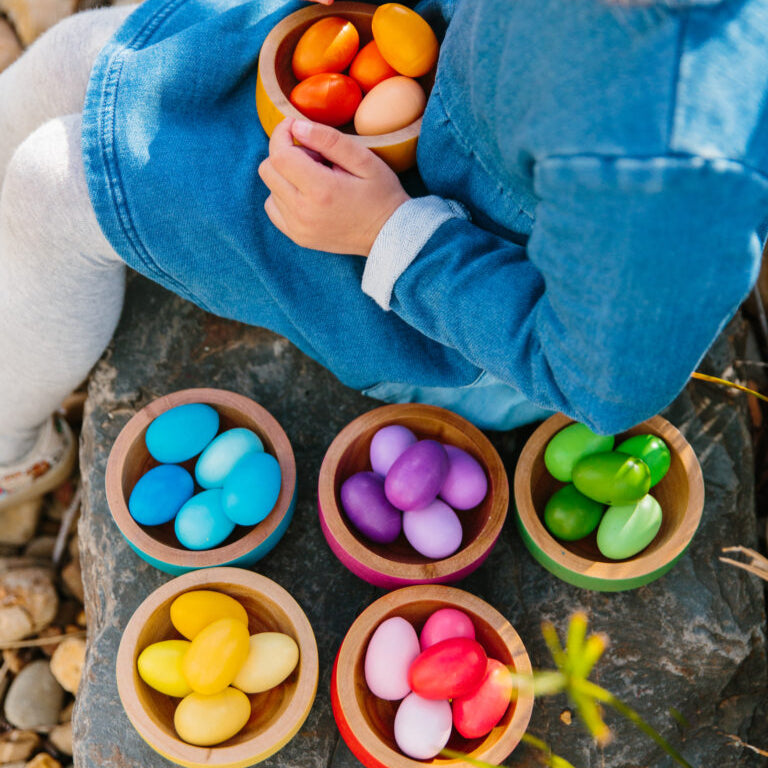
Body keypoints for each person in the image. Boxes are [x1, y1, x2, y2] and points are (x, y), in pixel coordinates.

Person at [1, 0, 767, 513]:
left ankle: (11, 457)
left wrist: (384, 232)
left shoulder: (672, 166)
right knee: (77, 55)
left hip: (439, 297)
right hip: (423, 82)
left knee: (54, 182)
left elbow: (598, 382)